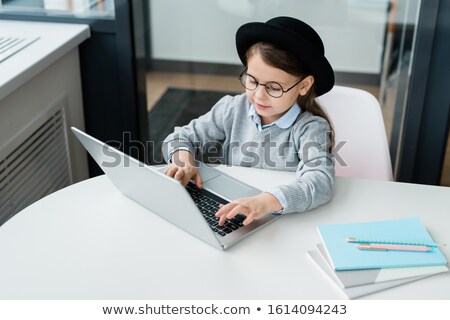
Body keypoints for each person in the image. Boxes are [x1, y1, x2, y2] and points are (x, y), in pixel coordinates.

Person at [162, 16, 335, 227]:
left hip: (282, 222)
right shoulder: (233, 108)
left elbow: (320, 181)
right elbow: (182, 136)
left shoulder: (310, 129)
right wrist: (183, 159)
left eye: (273, 87)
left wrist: (265, 201)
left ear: (304, 85)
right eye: (252, 81)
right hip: (231, 211)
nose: (259, 96)